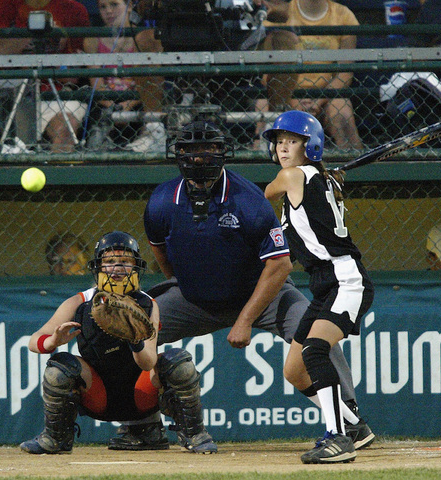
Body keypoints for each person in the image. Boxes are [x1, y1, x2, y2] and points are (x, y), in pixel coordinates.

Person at [130, 120, 373, 451]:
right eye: (191, 149)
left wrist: (244, 319)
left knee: (317, 330)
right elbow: (162, 255)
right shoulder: (161, 200)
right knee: (130, 328)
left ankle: (348, 420)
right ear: (180, 153)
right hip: (194, 299)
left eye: (209, 148)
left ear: (222, 152)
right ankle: (139, 424)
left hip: (262, 294)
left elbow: (280, 265)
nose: (200, 157)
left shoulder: (248, 198)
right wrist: (187, 285)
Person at [19, 231, 217, 454]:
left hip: (140, 395)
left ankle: (194, 435)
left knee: (179, 363)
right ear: (99, 266)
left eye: (125, 261)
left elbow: (147, 362)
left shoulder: (148, 303)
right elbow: (34, 342)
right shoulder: (79, 301)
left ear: (136, 266)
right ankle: (55, 438)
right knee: (59, 368)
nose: (117, 267)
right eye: (110, 261)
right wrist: (54, 340)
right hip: (98, 395)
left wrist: (135, 341)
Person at [262, 110, 374, 463]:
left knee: (314, 351)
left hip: (345, 279)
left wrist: (319, 176)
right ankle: (354, 426)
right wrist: (325, 178)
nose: (282, 148)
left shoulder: (292, 176)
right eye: (279, 142)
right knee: (294, 370)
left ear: (311, 147)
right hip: (325, 285)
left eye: (292, 141)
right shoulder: (317, 181)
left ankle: (338, 438)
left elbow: (263, 194)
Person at [255, 0, 364, 150]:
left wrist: (319, 99)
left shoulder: (344, 15)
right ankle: (260, 158)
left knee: (342, 109)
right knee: (262, 104)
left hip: (326, 97)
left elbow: (345, 74)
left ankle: (353, 162)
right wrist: (293, 99)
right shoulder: (280, 14)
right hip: (285, 94)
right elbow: (267, 73)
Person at [0, 0, 91, 153]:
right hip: (10, 95)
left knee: (65, 130)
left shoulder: (74, 9)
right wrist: (31, 35)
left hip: (56, 96)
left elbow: (72, 77)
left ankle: (59, 173)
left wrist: (54, 43)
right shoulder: (0, 4)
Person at [82, 0, 165, 153]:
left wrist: (127, 105)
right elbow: (97, 86)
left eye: (114, 5)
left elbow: (150, 84)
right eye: (103, 7)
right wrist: (114, 107)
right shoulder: (92, 40)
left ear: (129, 6)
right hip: (107, 103)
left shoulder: (143, 38)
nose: (108, 11)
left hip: (138, 100)